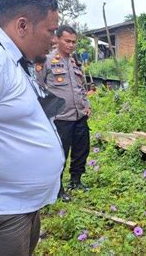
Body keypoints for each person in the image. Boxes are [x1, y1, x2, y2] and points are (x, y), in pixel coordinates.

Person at [0, 0, 64, 255]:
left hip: (18, 208)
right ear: (22, 25)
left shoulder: (11, 59)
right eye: (50, 31)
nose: (54, 40)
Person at [36, 25, 91, 202]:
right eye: (67, 41)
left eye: (74, 42)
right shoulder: (46, 60)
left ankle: (76, 180)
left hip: (79, 115)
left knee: (81, 150)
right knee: (59, 155)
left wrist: (87, 105)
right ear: (57, 39)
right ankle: (58, 188)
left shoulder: (75, 61)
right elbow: (37, 86)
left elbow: (81, 87)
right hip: (60, 118)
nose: (71, 45)